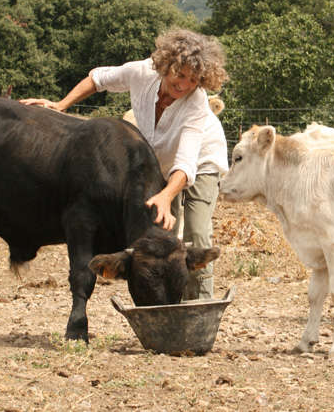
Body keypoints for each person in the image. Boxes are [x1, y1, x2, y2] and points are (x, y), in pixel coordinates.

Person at [20, 28, 228, 299]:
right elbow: (97, 79)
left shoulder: (196, 103)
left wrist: (166, 195)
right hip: (162, 163)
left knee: (197, 234)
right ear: (167, 65)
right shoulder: (141, 72)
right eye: (180, 75)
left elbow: (187, 161)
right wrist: (61, 105)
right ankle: (166, 296)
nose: (184, 85)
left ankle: (199, 302)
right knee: (165, 239)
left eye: (193, 80)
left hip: (202, 162)